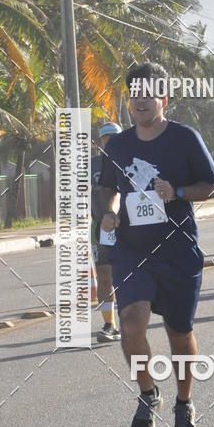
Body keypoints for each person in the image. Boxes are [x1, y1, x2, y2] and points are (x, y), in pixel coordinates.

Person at [99, 62, 214, 427]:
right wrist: (107, 213)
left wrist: (178, 192)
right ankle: (148, 393)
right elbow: (107, 188)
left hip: (178, 252)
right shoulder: (118, 145)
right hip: (132, 251)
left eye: (148, 94)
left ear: (163, 99)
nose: (140, 101)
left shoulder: (185, 138)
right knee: (131, 324)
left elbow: (213, 185)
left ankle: (184, 402)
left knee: (178, 333)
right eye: (134, 94)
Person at [92, 121, 122, 342]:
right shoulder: (91, 164)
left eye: (114, 138)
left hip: (127, 225)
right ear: (100, 142)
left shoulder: (130, 160)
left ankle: (133, 318)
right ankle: (110, 324)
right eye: (106, 138)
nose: (110, 142)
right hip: (100, 227)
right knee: (104, 276)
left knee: (130, 274)